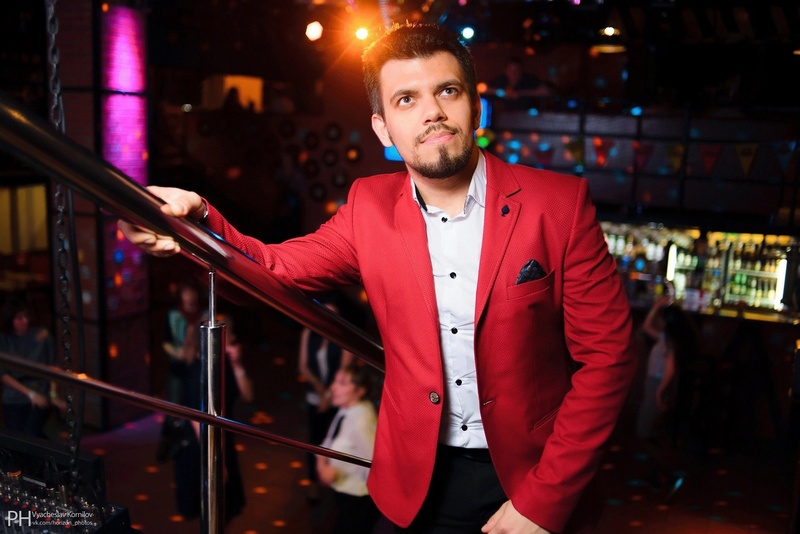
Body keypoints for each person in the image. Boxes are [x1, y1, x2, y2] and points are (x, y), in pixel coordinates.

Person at [119, 22, 636, 534]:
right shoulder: (368, 206)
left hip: (531, 476)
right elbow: (272, 271)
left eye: (447, 91)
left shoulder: (559, 204)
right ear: (383, 128)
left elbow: (608, 358)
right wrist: (198, 224)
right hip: (416, 478)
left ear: (474, 105)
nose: (432, 112)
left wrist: (542, 502)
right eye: (406, 99)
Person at [169, 313, 252, 523]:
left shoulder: (224, 365)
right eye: (227, 335)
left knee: (223, 508)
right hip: (202, 444)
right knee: (210, 506)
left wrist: (238, 365)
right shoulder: (199, 368)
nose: (232, 340)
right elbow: (196, 418)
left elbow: (248, 395)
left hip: (222, 439)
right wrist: (216, 459)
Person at [299, 300, 354, 501]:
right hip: (316, 395)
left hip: (337, 398)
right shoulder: (309, 332)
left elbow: (343, 370)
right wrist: (320, 389)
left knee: (337, 440)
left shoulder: (343, 339)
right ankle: (314, 482)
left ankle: (338, 484)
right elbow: (303, 366)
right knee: (315, 439)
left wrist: (328, 395)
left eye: (332, 314)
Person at [316, 364, 379, 534]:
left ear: (360, 391)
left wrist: (338, 471)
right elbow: (329, 441)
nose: (333, 387)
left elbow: (374, 464)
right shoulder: (347, 410)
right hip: (344, 494)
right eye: (335, 381)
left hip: (358, 500)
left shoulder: (361, 421)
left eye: (342, 383)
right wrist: (322, 465)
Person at [0, 297, 65, 439]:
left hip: (39, 388)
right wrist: (30, 394)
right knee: (16, 437)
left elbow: (52, 366)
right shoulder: (4, 339)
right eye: (19, 318)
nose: (25, 321)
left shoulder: (42, 335)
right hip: (13, 395)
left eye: (26, 316)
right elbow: (3, 374)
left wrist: (53, 394)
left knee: (31, 433)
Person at [486, 56, 552, 111]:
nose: (514, 73)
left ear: (521, 70)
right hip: (505, 117)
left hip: (528, 116)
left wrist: (520, 93)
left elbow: (546, 92)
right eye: (511, 70)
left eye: (517, 70)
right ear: (505, 71)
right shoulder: (501, 80)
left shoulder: (529, 80)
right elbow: (483, 89)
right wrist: (503, 92)